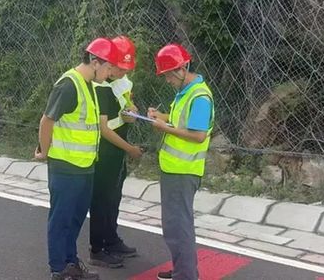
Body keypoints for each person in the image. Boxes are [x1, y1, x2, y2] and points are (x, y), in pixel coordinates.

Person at [35, 38, 119, 280]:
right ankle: (58, 269)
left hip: (84, 166)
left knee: (75, 218)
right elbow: (47, 120)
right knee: (61, 219)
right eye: (108, 67)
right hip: (65, 166)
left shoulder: (89, 85)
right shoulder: (69, 85)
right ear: (95, 62)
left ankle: (71, 263)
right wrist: (43, 150)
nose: (111, 72)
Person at [146, 44, 214, 280]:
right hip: (174, 169)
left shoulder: (200, 97)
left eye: (168, 75)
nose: (167, 81)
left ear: (182, 68)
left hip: (184, 171)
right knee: (173, 225)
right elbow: (180, 122)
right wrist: (161, 117)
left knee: (179, 227)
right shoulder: (186, 93)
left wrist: (164, 127)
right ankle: (180, 270)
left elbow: (198, 134)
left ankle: (185, 275)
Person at [88, 36, 143, 268]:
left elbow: (124, 109)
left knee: (114, 197)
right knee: (101, 199)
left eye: (126, 69)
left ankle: (111, 239)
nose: (122, 72)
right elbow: (103, 129)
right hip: (105, 151)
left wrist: (131, 112)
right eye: (119, 68)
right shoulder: (99, 87)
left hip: (118, 149)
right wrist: (130, 148)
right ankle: (98, 248)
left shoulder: (122, 82)